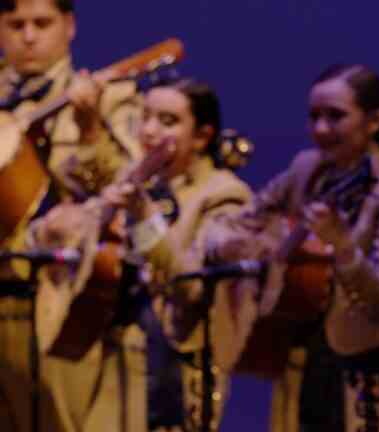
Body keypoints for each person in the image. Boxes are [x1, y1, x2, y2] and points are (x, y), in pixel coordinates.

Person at [31, 78, 253, 431]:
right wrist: (62, 227)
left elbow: (190, 286)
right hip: (113, 359)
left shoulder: (224, 195)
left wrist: (144, 216)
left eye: (167, 121)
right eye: (145, 117)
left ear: (202, 136)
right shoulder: (142, 179)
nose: (149, 130)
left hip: (173, 373)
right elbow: (66, 226)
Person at [212, 63, 379, 432]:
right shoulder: (306, 170)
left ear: (373, 121)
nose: (320, 129)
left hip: (354, 366)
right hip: (294, 351)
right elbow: (231, 228)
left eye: (335, 117)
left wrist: (344, 248)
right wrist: (254, 248)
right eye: (314, 116)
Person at [0, 0, 140, 430]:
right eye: (15, 23)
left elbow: (129, 190)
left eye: (42, 23)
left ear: (70, 26)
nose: (28, 36)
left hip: (60, 306)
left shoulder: (112, 96)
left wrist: (90, 129)